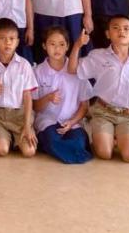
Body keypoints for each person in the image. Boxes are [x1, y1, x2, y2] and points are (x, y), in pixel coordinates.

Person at [68, 16, 129, 162]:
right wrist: (77, 45)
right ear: (108, 34)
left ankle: (118, 136)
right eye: (115, 28)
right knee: (104, 153)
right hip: (103, 112)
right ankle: (108, 136)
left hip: (128, 115)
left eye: (126, 29)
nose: (121, 31)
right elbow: (72, 69)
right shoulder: (98, 55)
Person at [33, 26, 93, 164]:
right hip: (48, 121)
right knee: (52, 139)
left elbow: (84, 105)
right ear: (44, 46)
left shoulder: (77, 70)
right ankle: (68, 150)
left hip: (72, 121)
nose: (57, 49)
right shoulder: (37, 72)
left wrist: (72, 122)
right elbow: (35, 106)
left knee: (79, 140)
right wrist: (48, 98)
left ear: (68, 47)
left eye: (61, 44)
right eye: (52, 44)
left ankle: (57, 148)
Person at [0, 18, 38, 158]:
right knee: (1, 150)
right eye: (2, 38)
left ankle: (16, 139)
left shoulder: (24, 65)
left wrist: (27, 125)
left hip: (20, 115)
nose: (8, 42)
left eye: (12, 39)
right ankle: (7, 139)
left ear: (17, 42)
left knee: (29, 152)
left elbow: (28, 97)